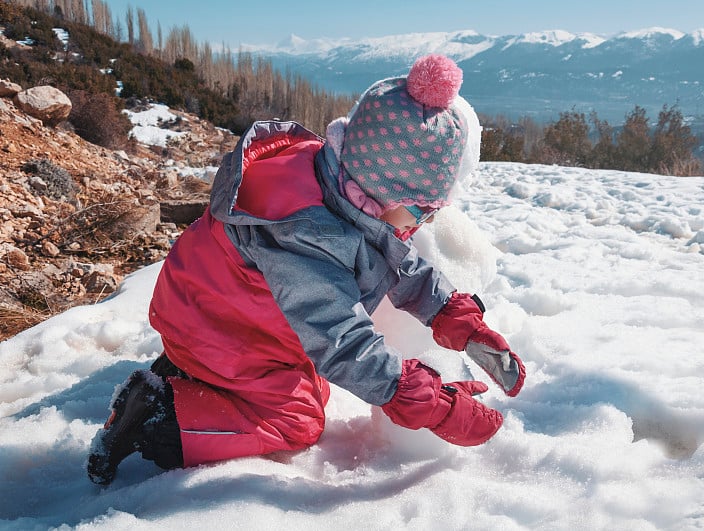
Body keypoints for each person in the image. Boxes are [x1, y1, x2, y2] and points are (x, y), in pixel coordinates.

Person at [87, 54, 526, 485]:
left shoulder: (342, 185)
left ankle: (193, 372)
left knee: (313, 383)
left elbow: (397, 261)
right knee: (298, 420)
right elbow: (342, 343)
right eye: (422, 209)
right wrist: (432, 404)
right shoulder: (306, 237)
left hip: (221, 313)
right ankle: (157, 415)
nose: (425, 221)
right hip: (217, 328)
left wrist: (459, 319)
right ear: (383, 190)